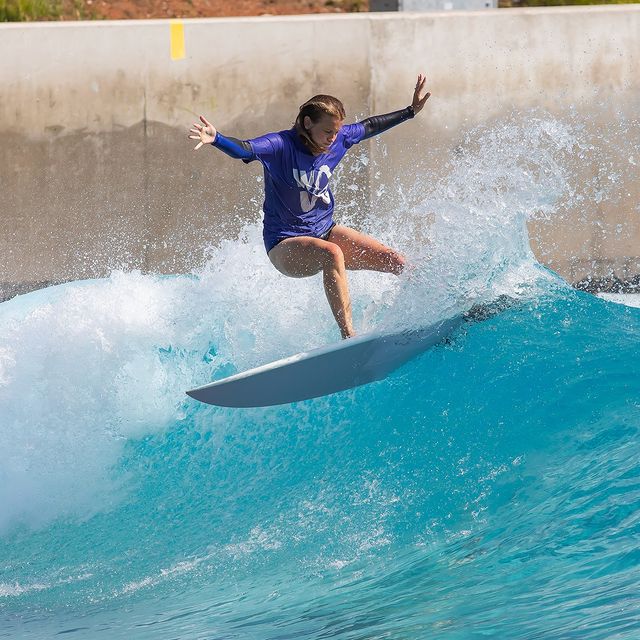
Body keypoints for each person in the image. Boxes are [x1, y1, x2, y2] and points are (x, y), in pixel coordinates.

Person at [189, 74, 431, 339]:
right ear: (307, 123)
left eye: (337, 131)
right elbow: (246, 149)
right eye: (327, 131)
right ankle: (349, 337)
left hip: (324, 230)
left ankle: (435, 304)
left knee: (396, 261)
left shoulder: (339, 138)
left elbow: (369, 126)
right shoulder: (280, 145)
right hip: (285, 245)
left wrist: (410, 112)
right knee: (332, 253)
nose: (333, 138)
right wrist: (218, 139)